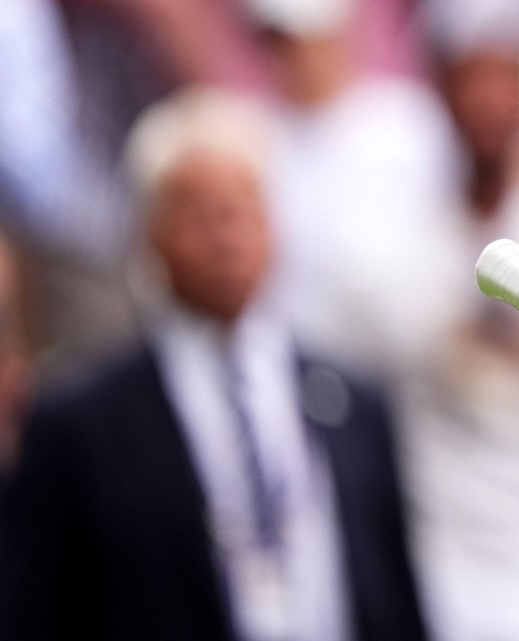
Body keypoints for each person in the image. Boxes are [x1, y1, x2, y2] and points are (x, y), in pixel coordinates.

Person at [0, 87, 428, 640]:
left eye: (243, 206)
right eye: (199, 211)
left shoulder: (353, 403)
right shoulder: (80, 423)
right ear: (148, 231)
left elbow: (395, 596)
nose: (227, 233)